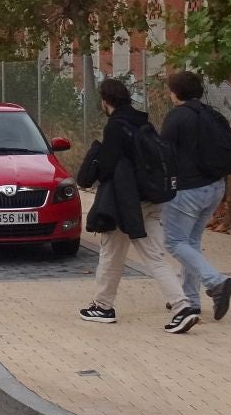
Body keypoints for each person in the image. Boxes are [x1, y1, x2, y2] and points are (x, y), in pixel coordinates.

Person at [78, 77, 199, 333]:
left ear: (105, 101)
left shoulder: (116, 126)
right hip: (151, 199)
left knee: (111, 253)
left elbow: (108, 167)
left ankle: (103, 307)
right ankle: (182, 306)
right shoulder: (143, 122)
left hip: (125, 203)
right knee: (154, 257)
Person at [160, 69, 231, 326]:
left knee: (174, 243)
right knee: (190, 243)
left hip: (187, 190)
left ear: (175, 92)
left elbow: (163, 155)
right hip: (215, 187)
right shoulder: (214, 115)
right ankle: (191, 301)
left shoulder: (177, 118)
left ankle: (216, 283)